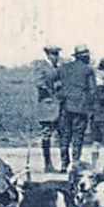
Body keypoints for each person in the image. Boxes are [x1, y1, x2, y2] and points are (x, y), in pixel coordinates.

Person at [56, 45, 96, 171]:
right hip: (80, 108)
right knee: (78, 136)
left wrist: (61, 94)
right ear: (85, 57)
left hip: (65, 106)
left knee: (65, 136)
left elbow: (52, 82)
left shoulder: (63, 68)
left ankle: (64, 163)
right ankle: (75, 162)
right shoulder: (87, 70)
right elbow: (93, 90)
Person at [35, 44, 62, 172]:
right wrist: (52, 89)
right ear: (48, 54)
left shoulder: (56, 67)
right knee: (46, 135)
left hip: (58, 107)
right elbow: (39, 84)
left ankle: (62, 164)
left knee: (62, 134)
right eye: (54, 54)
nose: (56, 57)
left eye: (57, 54)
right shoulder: (42, 67)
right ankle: (47, 164)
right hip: (47, 106)